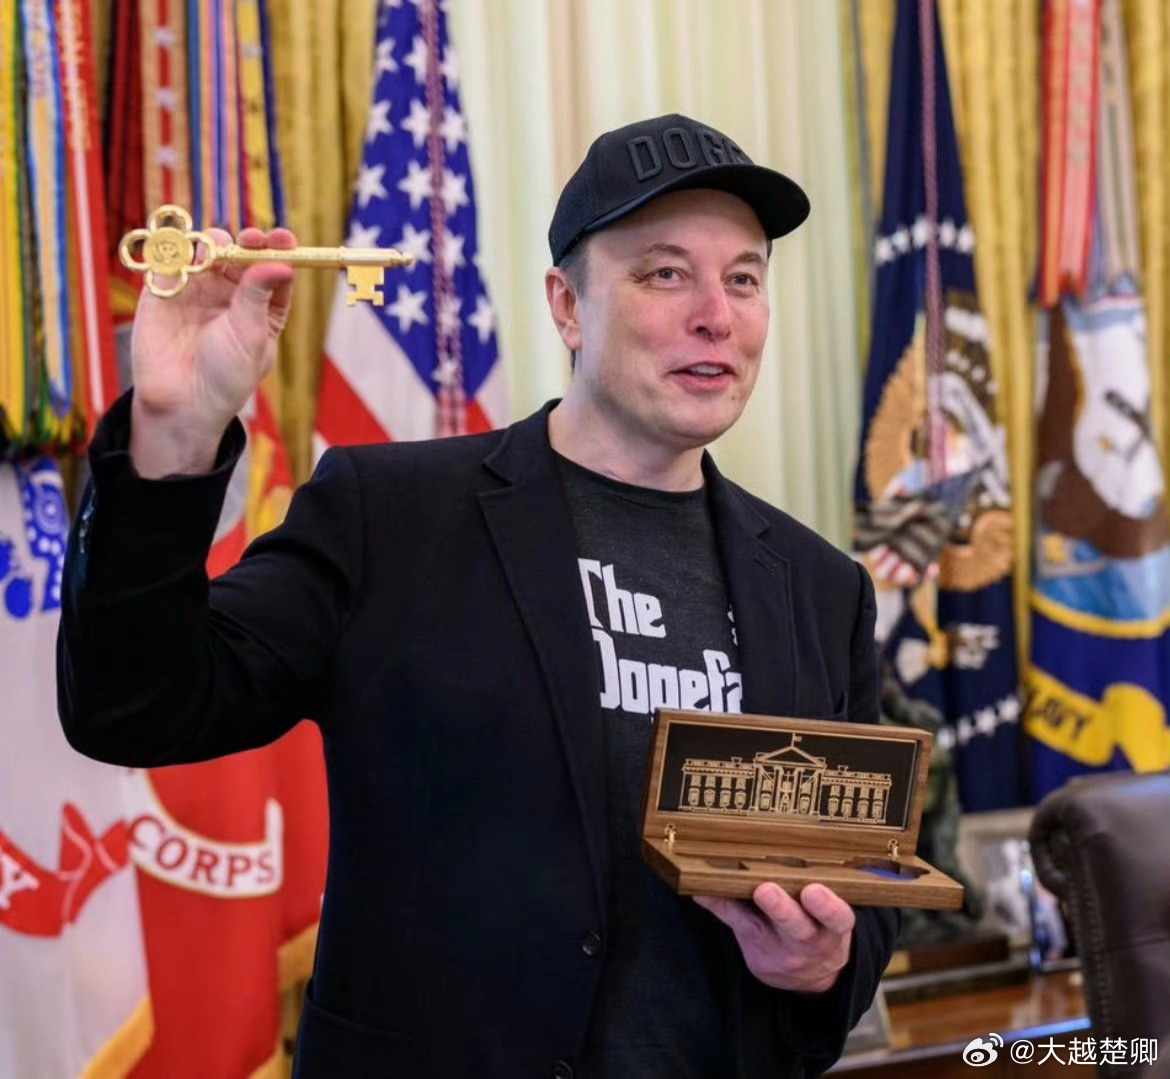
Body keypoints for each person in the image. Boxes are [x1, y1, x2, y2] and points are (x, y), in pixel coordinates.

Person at [58, 113, 898, 1078]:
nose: (717, 313)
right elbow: (132, 704)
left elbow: (861, 884)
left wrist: (824, 962)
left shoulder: (822, 589)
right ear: (567, 306)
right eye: (666, 273)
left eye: (743, 278)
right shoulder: (390, 517)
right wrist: (175, 434)